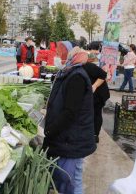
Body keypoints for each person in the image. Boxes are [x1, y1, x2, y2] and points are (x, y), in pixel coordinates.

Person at [43, 42, 96, 194]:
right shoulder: (69, 71)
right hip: (67, 138)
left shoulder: (76, 77)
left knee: (71, 182)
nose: (58, 57)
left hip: (72, 140)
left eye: (60, 53)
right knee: (65, 181)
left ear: (69, 54)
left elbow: (70, 112)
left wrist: (49, 131)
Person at [82, 60, 110, 143]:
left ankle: (95, 135)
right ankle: (89, 133)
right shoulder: (76, 67)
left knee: (96, 113)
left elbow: (103, 75)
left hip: (100, 94)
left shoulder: (89, 66)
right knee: (91, 113)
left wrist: (94, 86)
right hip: (92, 94)